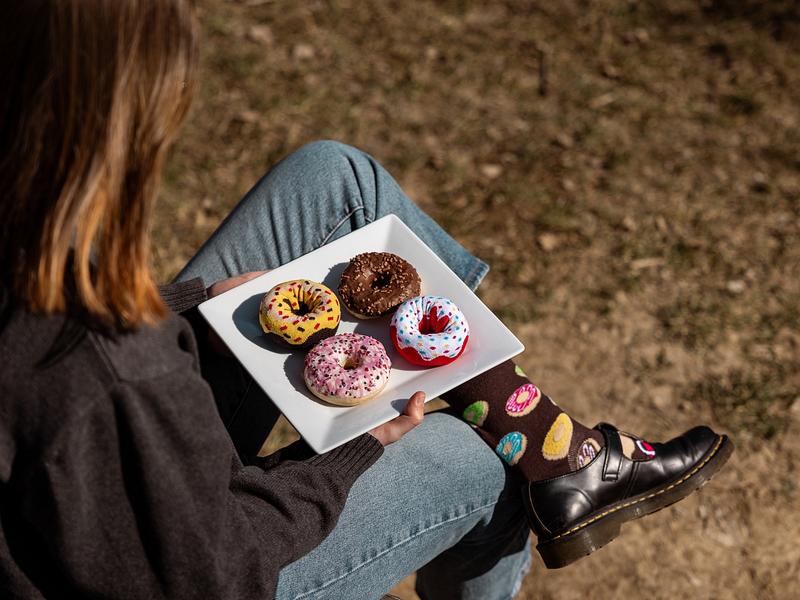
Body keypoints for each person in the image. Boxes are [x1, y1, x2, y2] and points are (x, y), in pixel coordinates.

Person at [0, 1, 732, 599]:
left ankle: (555, 452)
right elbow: (210, 573)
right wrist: (345, 459)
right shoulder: (109, 368)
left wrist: (194, 306)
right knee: (476, 462)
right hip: (185, 561)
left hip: (112, 463)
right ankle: (548, 461)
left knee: (334, 181)